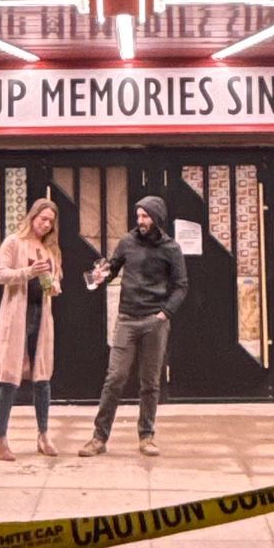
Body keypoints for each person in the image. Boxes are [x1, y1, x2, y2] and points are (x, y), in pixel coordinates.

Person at [81, 192, 188, 456]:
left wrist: (165, 313)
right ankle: (98, 438)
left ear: (157, 218)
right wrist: (99, 275)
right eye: (138, 215)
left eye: (145, 216)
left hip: (155, 321)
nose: (140, 220)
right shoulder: (127, 242)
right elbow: (112, 269)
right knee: (115, 378)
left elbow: (181, 286)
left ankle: (146, 436)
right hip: (127, 319)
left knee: (150, 382)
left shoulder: (171, 249)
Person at [0, 195, 62, 461]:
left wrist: (51, 284)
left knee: (42, 377)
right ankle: (0, 439)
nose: (45, 225)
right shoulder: (13, 242)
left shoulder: (49, 250)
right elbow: (0, 275)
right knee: (10, 377)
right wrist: (28, 272)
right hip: (16, 317)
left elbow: (51, 286)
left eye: (50, 222)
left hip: (40, 317)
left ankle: (43, 435)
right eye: (42, 219)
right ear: (32, 216)